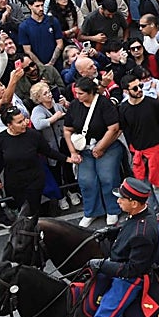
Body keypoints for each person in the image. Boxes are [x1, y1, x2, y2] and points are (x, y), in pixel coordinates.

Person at [74, 178, 159, 317]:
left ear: (134, 203)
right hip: (118, 267)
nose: (118, 201)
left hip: (129, 280)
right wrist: (110, 231)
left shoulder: (143, 232)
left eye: (122, 198)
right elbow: (127, 229)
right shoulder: (138, 215)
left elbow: (132, 269)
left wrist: (101, 264)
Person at [64, 76, 123, 228]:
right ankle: (91, 211)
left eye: (80, 93)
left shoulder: (104, 104)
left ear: (90, 92)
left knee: (108, 177)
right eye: (76, 93)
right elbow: (67, 129)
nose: (77, 96)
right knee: (86, 180)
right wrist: (73, 152)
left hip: (108, 145)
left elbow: (114, 128)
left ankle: (113, 209)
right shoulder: (75, 106)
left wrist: (101, 147)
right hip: (84, 149)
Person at [118, 74, 159, 214]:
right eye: (135, 88)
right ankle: (150, 213)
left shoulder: (152, 103)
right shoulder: (123, 109)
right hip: (137, 152)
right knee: (143, 186)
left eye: (140, 85)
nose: (140, 89)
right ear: (126, 91)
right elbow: (121, 130)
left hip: (154, 150)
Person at [0, 104, 65, 218]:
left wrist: (68, 159)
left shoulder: (33, 135)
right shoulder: (1, 139)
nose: (25, 123)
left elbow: (48, 151)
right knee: (24, 212)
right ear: (9, 125)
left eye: (24, 119)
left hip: (34, 179)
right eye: (19, 122)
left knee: (36, 211)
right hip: (15, 183)